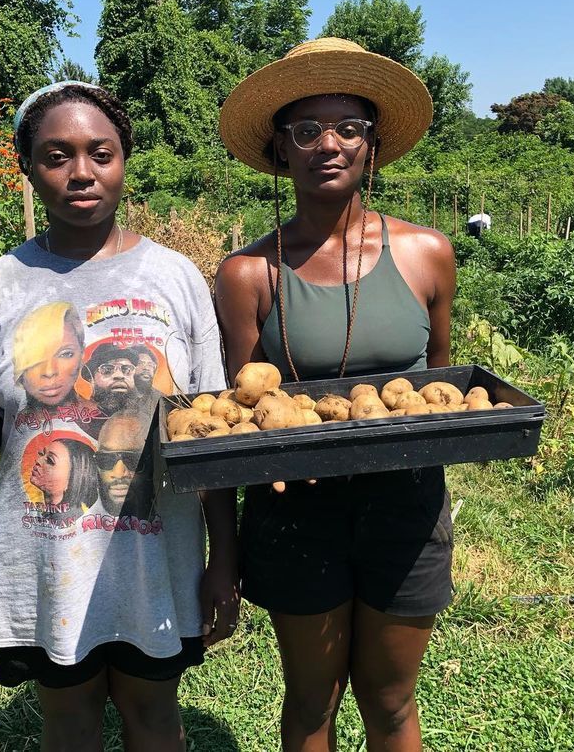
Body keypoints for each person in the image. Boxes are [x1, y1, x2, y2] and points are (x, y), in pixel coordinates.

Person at [0, 81, 238, 752]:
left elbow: (214, 432)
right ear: (28, 168)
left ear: (125, 159)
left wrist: (224, 558)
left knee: (154, 717)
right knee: (67, 720)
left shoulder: (175, 278)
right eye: (57, 155)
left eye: (101, 152)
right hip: (46, 556)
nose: (82, 172)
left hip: (155, 554)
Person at [214, 39, 457, 752]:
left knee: (389, 700)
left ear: (372, 147)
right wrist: (222, 559)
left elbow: (440, 385)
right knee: (312, 701)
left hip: (406, 508)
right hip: (296, 515)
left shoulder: (425, 253)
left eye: (349, 128)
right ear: (280, 149)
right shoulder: (247, 273)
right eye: (307, 129)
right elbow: (232, 419)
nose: (330, 143)